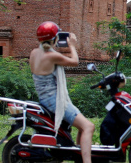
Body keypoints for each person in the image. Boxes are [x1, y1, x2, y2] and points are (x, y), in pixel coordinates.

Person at [29, 21, 94, 163]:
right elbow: (75, 62)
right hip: (54, 100)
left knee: (82, 127)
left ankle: (79, 157)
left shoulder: (34, 53)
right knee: (88, 126)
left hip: (44, 98)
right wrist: (72, 45)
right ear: (55, 38)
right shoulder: (52, 56)